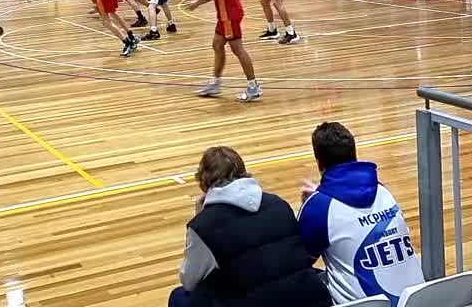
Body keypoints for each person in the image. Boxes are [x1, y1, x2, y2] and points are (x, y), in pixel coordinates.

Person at [170, 146, 331, 307]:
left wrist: (199, 220)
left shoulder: (203, 226)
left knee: (179, 298)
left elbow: (189, 281)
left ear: (204, 183)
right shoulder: (279, 203)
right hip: (310, 299)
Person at [297, 122, 425, 306]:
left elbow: (297, 261)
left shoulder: (318, 208)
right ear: (354, 155)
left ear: (319, 163)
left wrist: (314, 203)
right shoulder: (383, 192)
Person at [187, 0, 261, 102]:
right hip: (231, 11)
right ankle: (215, 82)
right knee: (217, 44)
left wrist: (196, 3)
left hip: (227, 14)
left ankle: (253, 86)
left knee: (238, 49)